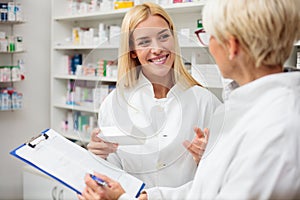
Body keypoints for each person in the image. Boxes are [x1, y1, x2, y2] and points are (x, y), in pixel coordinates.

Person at [79, 0, 300, 199]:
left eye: (209, 35)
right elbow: (204, 191)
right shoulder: (236, 109)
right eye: (144, 41)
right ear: (132, 50)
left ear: (231, 46)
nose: (209, 45)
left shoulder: (273, 125)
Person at [86, 1, 220, 190]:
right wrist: (98, 156)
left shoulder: (205, 101)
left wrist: (208, 158)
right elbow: (111, 176)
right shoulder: (114, 104)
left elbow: (223, 177)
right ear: (132, 51)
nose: (157, 49)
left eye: (163, 37)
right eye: (144, 42)